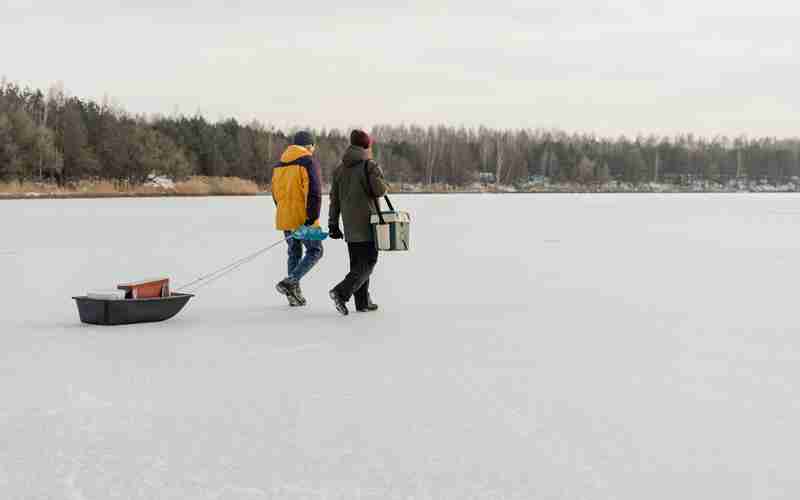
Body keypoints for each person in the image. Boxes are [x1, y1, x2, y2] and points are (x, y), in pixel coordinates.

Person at [328, 129, 389, 316]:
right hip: (368, 223)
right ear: (366, 145)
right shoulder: (368, 166)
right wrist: (378, 174)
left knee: (357, 265)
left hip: (349, 226)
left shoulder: (339, 169)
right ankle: (341, 292)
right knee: (369, 261)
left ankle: (362, 302)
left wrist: (333, 224)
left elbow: (334, 200)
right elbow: (380, 190)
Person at [271, 130, 323, 306]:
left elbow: (275, 194)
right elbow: (315, 191)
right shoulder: (308, 161)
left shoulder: (279, 165)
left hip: (285, 216)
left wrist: (283, 211)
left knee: (294, 251)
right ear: (309, 145)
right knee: (316, 250)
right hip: (304, 218)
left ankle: (293, 296)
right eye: (313, 146)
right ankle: (290, 281)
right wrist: (312, 217)